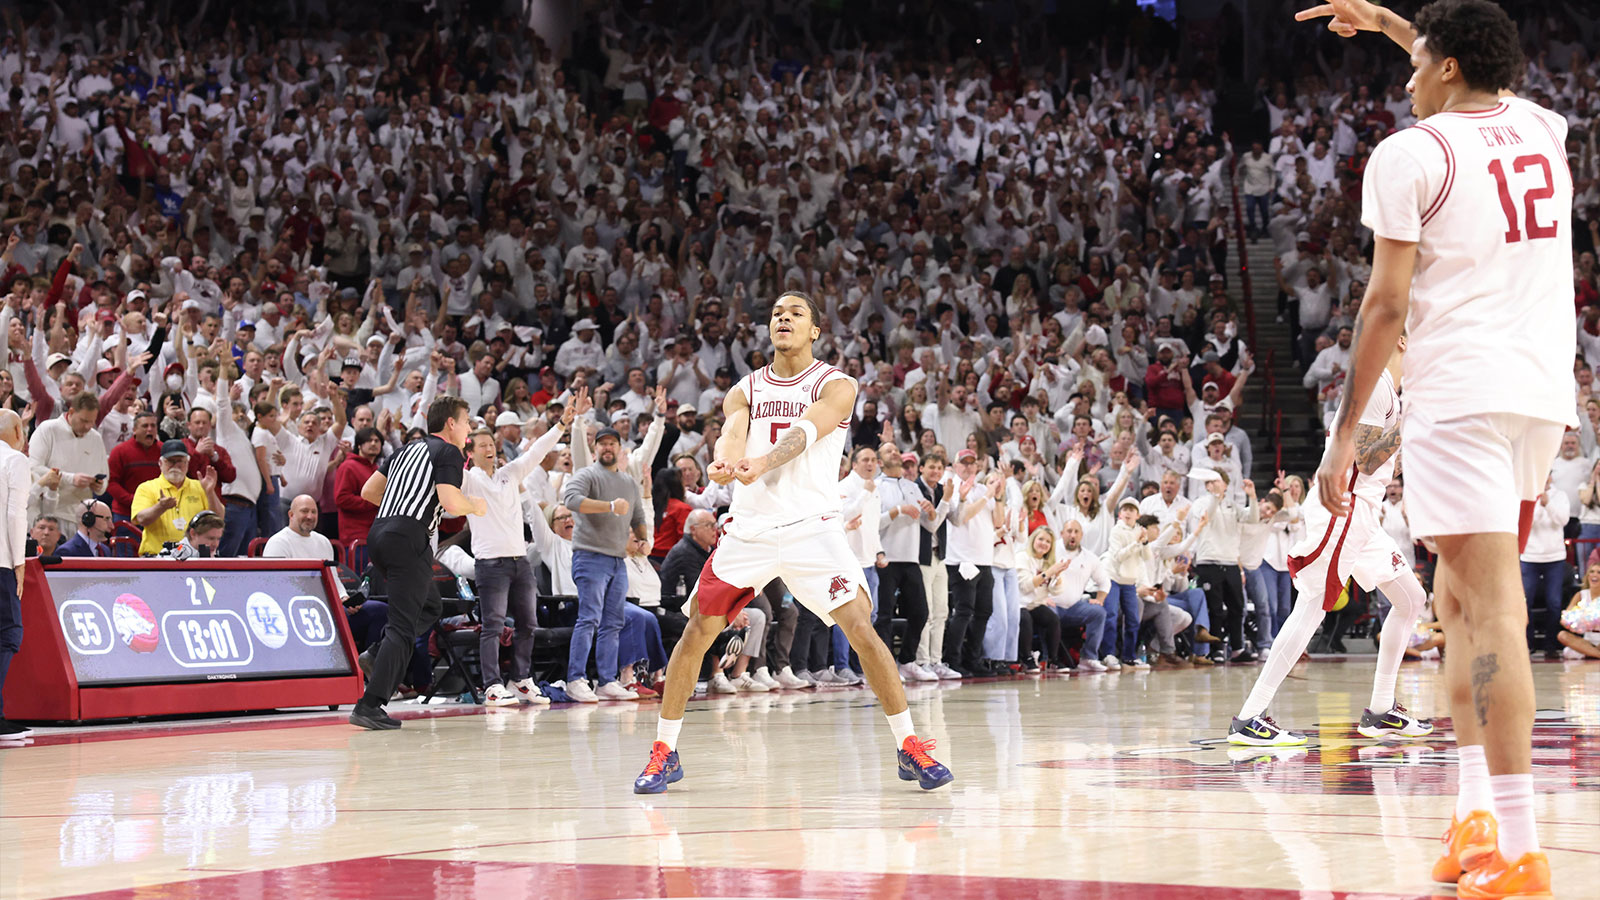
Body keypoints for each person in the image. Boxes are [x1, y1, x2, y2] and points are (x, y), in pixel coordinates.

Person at [1300, 1, 1572, 893]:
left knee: (1489, 614)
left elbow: (1383, 306)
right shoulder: (1542, 125)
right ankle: (1474, 820)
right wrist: (1388, 21)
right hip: (1536, 395)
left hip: (1458, 394)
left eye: (1417, 64)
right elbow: (1473, 62)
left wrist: (1344, 435)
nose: (1407, 77)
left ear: (1448, 67)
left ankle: (1524, 850)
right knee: (1458, 604)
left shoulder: (1410, 153)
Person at [632, 292, 952, 794]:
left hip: (812, 528)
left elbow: (805, 431)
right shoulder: (746, 387)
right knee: (697, 631)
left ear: (815, 331)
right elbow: (733, 434)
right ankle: (664, 751)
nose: (783, 318)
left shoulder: (837, 385)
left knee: (861, 629)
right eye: (777, 312)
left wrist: (761, 463)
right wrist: (726, 458)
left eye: (795, 313)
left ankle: (909, 745)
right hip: (750, 529)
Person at [1230, 337, 1434, 749]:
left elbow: (1384, 464)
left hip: (1363, 514)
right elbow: (1366, 459)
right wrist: (1415, 423)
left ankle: (1379, 711)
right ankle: (1250, 716)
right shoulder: (1374, 384)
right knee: (1310, 609)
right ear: (1401, 339)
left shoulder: (1391, 392)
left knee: (1411, 600)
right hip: (1342, 507)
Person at [347, 396, 486, 730]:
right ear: (451, 423)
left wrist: (404, 507)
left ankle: (376, 654)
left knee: (429, 606)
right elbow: (450, 499)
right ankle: (370, 704)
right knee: (403, 626)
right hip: (409, 539)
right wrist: (475, 507)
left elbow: (369, 491)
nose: (469, 428)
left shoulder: (405, 450)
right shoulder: (449, 451)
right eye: (466, 421)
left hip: (381, 534)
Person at [462, 396, 575, 706]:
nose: (488, 448)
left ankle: (521, 680)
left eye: (491, 444)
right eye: (481, 444)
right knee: (494, 626)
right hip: (490, 563)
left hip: (520, 561)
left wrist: (562, 424)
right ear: (470, 452)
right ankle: (491, 685)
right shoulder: (467, 480)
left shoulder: (509, 473)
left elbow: (537, 451)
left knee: (528, 623)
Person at [560, 425, 648, 703]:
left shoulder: (630, 482)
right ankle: (575, 679)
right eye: (602, 444)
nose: (607, 448)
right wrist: (609, 506)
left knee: (613, 622)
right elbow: (571, 500)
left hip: (618, 560)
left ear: (620, 448)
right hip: (590, 555)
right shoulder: (586, 474)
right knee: (589, 618)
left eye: (612, 443)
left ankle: (606, 681)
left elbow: (637, 515)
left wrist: (645, 540)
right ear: (595, 448)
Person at [130, 441, 222, 557]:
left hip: (195, 557)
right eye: (170, 461)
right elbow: (141, 519)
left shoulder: (200, 486)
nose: (175, 466)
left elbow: (218, 519)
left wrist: (210, 492)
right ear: (160, 463)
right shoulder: (147, 488)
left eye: (180, 461)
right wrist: (160, 507)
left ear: (187, 463)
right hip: (157, 557)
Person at [0, 411, 31, 743]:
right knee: (8, 634)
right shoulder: (15, 461)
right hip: (1, 561)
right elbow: (14, 514)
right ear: (18, 431)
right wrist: (18, 562)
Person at [157, 510, 227, 559]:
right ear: (193, 533)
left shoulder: (215, 556)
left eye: (218, 539)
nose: (215, 544)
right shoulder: (172, 554)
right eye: (210, 538)